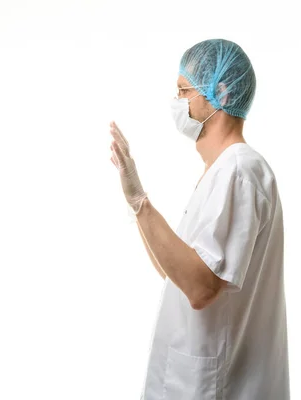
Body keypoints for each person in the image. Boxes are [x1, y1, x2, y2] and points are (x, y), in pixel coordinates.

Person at [109, 38, 289, 400]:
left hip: (218, 386)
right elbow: (174, 272)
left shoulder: (238, 171)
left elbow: (200, 287)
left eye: (183, 91)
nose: (177, 103)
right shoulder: (223, 171)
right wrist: (136, 200)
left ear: (219, 92)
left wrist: (141, 202)